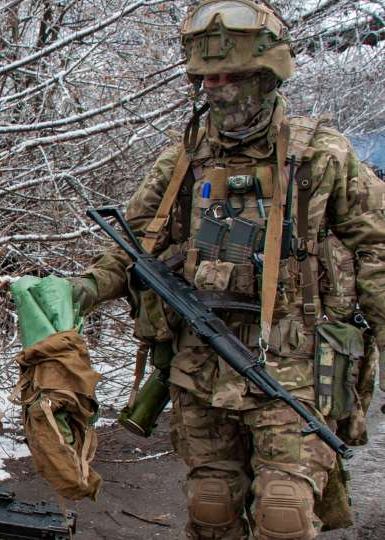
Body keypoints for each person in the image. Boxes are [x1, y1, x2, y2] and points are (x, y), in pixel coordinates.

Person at [68, 1, 385, 538]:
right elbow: (134, 244)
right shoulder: (184, 161)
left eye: (232, 75)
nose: (218, 88)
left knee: (283, 514)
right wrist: (85, 287)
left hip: (295, 366)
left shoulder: (322, 158)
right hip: (201, 366)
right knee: (212, 510)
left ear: (267, 77)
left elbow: (378, 247)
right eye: (208, 77)